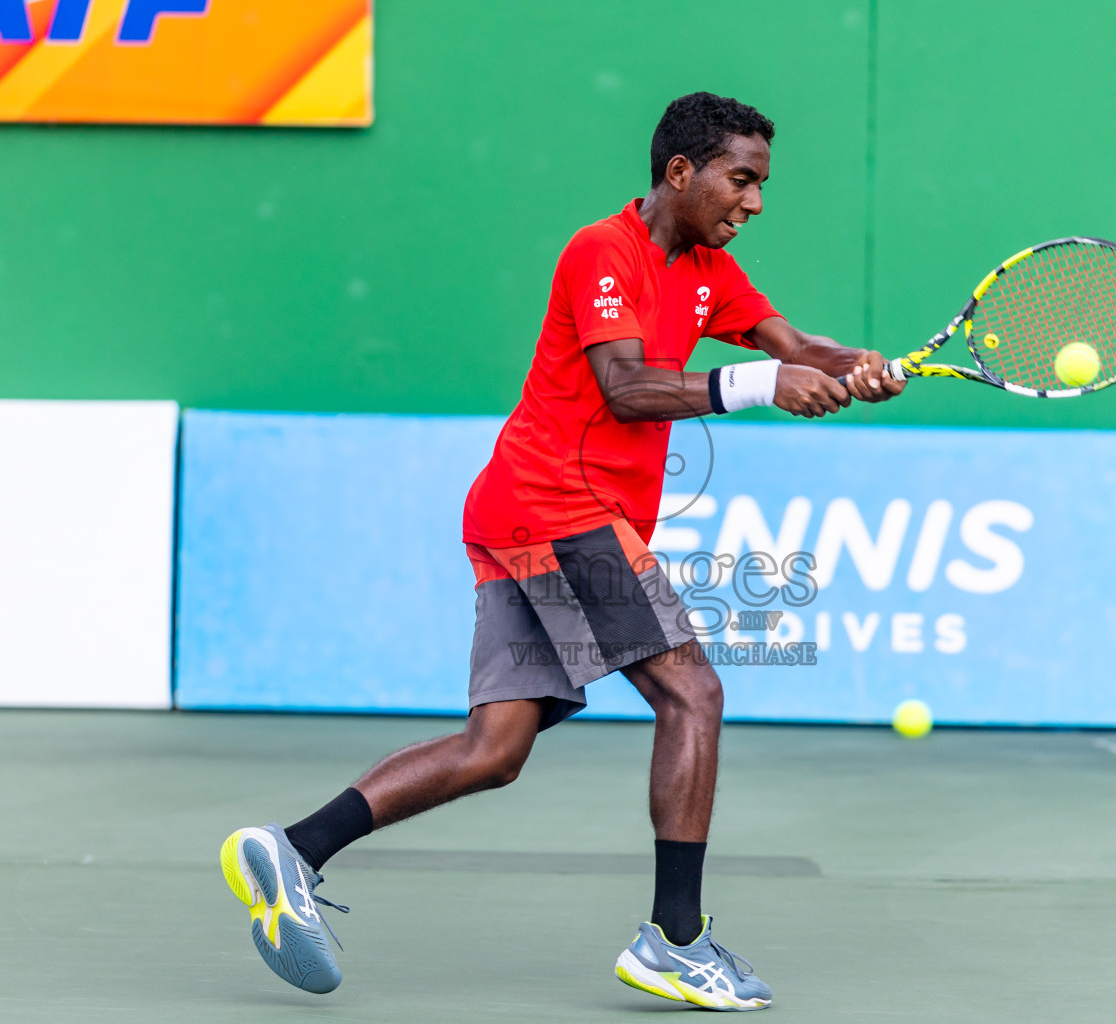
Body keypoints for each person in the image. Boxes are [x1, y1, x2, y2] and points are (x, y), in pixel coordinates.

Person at [218, 90, 904, 1011]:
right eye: (741, 180)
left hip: (525, 513)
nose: (755, 202)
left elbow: (794, 344)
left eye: (761, 185)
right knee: (692, 693)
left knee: (495, 749)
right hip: (558, 506)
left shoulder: (709, 269)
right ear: (680, 172)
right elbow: (625, 387)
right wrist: (758, 384)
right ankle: (676, 939)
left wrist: (857, 365)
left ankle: (295, 849)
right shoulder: (602, 251)